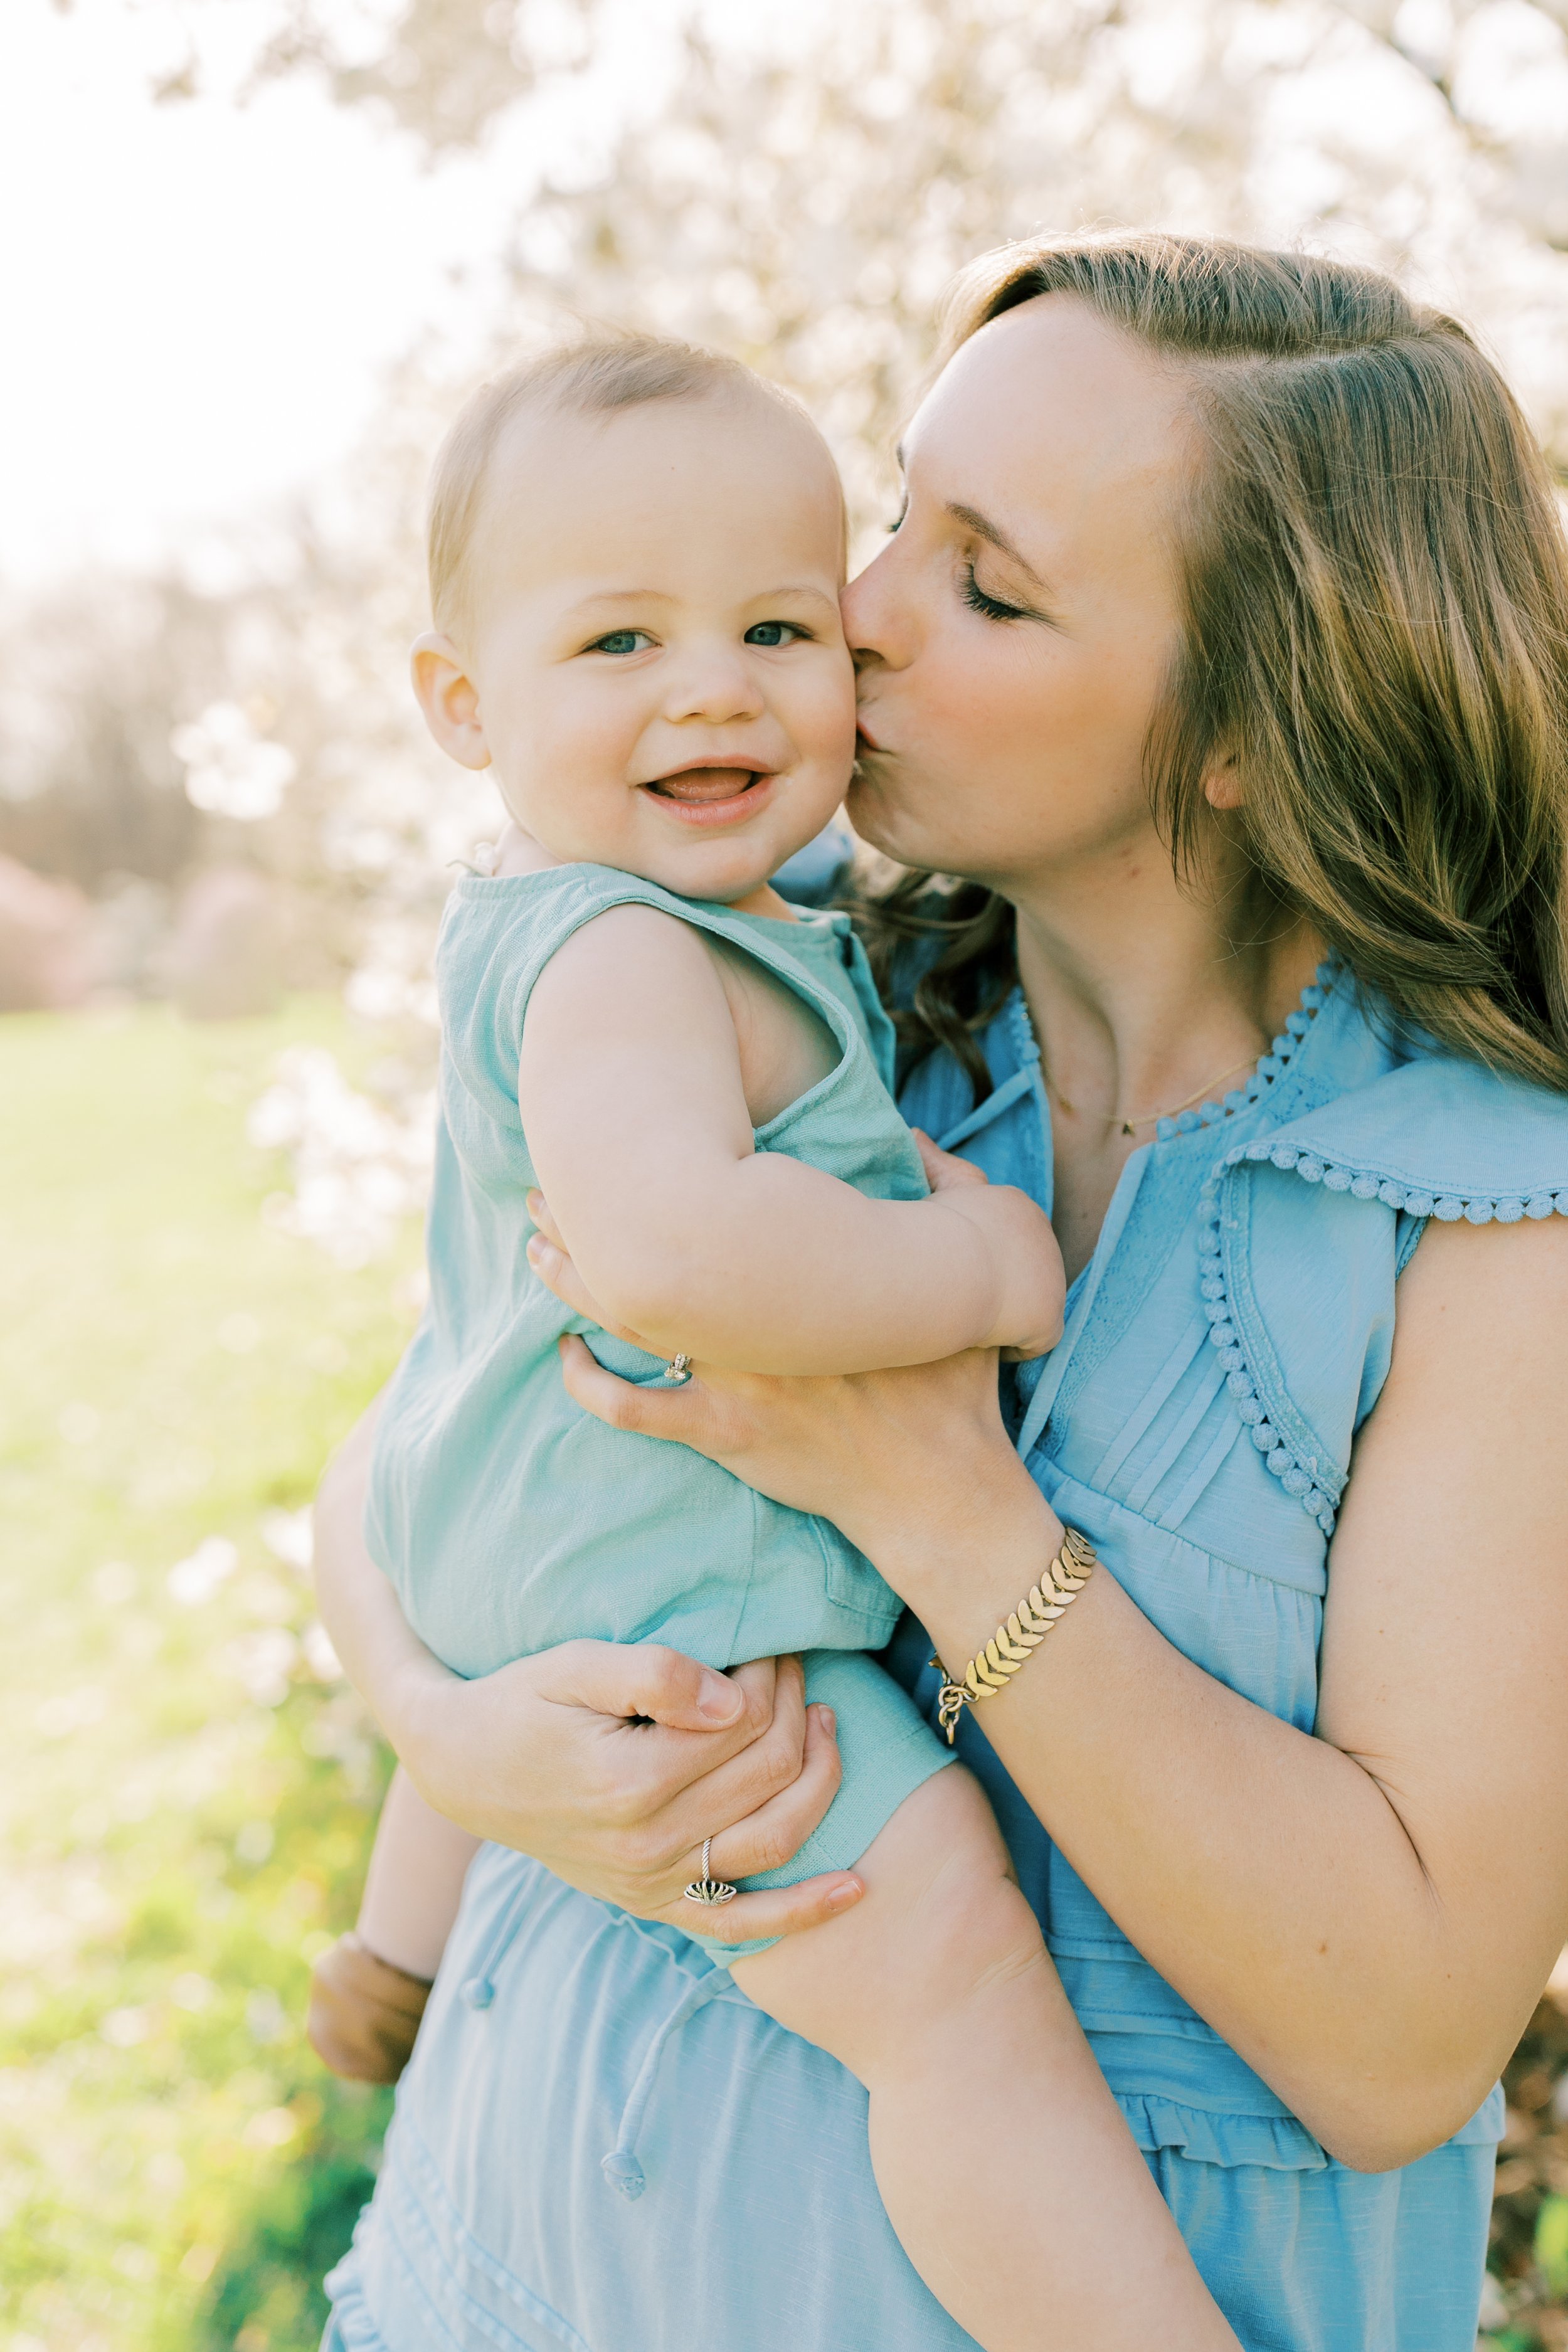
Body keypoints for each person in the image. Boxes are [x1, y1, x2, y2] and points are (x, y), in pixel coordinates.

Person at [316, 235, 1568, 2352]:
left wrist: (941, 1505)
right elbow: (418, 1443)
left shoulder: (1478, 1232)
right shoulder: (799, 993)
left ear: (1254, 730)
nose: (860, 609)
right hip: (509, 2255)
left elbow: (1399, 2047)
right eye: (898, 512)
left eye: (985, 583)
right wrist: (448, 1731)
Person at [309, 327, 1237, 2352]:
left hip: (522, 1529)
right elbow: (677, 1256)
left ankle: (390, 1958)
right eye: (619, 643)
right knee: (955, 1991)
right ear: (464, 709)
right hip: (686, 1628)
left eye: (772, 625)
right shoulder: (628, 953)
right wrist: (985, 1277)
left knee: (500, 1673)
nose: (711, 686)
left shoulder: (654, 923)